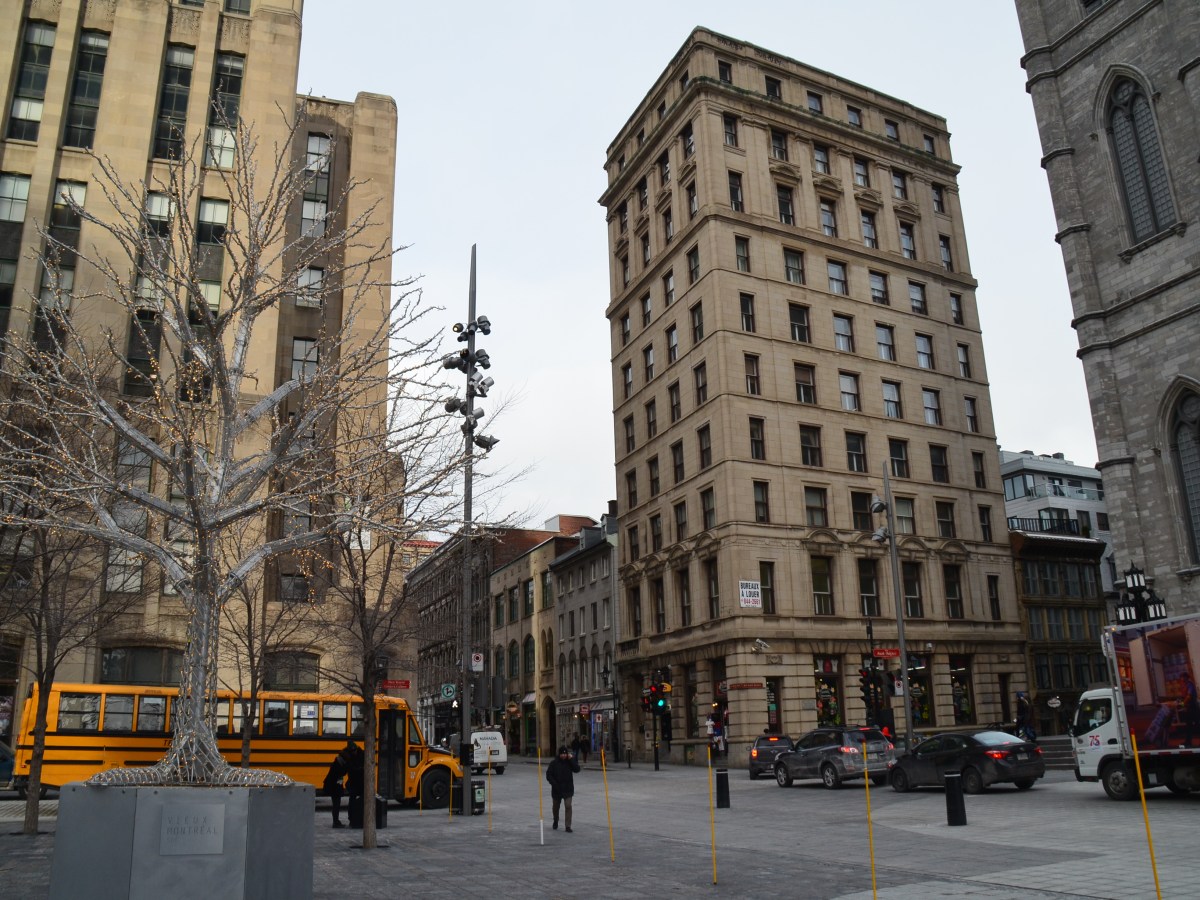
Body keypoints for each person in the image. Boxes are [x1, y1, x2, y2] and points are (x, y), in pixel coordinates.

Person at [546, 745, 580, 832]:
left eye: (565, 754)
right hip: (557, 789)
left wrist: (571, 759)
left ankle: (568, 826)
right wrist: (554, 784)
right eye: (562, 754)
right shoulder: (554, 763)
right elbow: (548, 775)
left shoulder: (569, 762)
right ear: (559, 754)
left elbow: (577, 769)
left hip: (568, 788)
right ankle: (555, 820)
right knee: (555, 807)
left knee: (568, 806)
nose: (564, 756)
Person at [323, 744, 351, 828]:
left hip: (334, 786)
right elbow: (341, 773)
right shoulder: (338, 765)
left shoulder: (337, 762)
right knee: (336, 804)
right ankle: (335, 822)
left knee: (336, 804)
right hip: (334, 787)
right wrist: (347, 766)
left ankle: (336, 821)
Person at [345, 741, 366, 823]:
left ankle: (360, 818)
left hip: (361, 781)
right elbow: (350, 768)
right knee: (352, 801)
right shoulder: (349, 756)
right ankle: (351, 818)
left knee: (362, 800)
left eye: (354, 750)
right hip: (354, 781)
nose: (354, 752)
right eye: (352, 751)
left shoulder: (362, 754)